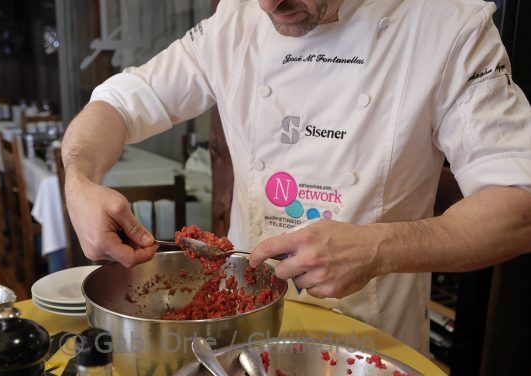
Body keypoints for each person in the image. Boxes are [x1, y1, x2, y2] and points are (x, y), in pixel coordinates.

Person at [62, 0, 531, 354]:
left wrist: (377, 246)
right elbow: (121, 104)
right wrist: (79, 177)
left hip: (369, 345)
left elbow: (518, 203)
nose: (269, 5)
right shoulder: (238, 19)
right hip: (238, 334)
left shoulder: (447, 25)